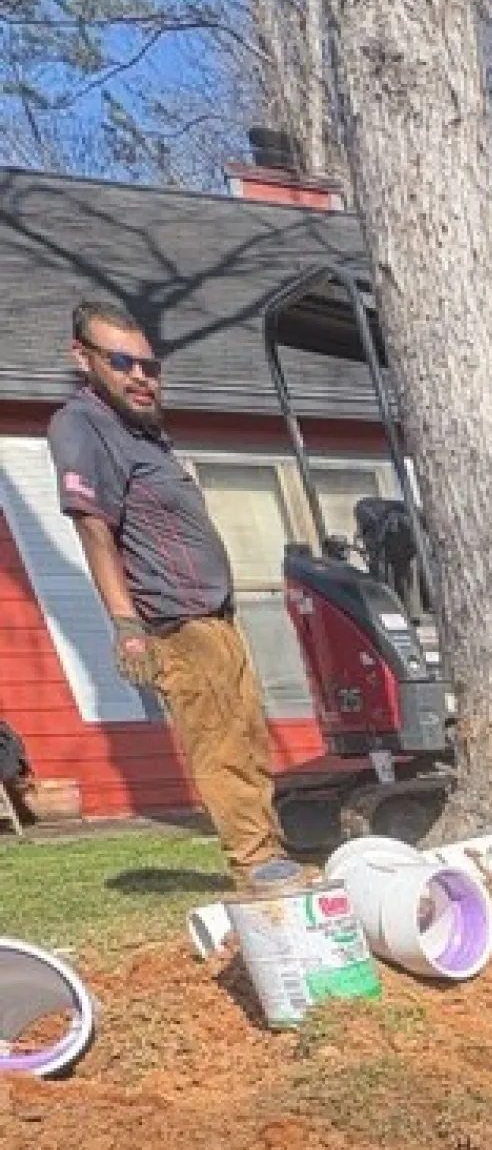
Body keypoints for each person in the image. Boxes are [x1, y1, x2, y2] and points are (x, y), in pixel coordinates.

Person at [46, 299, 298, 891]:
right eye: (121, 362)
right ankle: (255, 862)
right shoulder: (81, 426)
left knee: (248, 736)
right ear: (82, 359)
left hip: (216, 616)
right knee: (219, 742)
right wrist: (125, 624)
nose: (139, 376)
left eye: (148, 366)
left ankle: (267, 848)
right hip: (176, 620)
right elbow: (93, 528)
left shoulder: (144, 434)